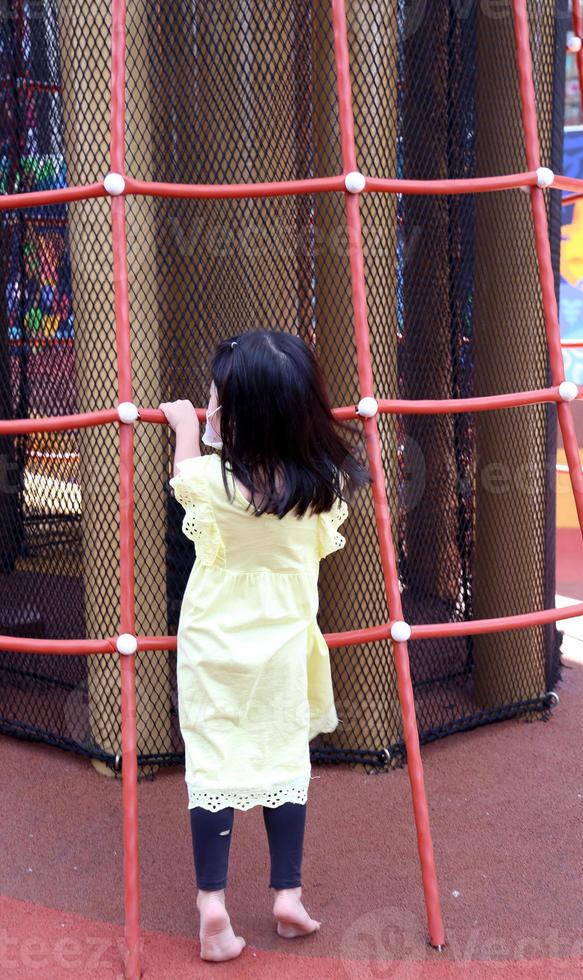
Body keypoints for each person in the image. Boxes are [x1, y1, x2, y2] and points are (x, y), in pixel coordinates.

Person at [160, 329, 371, 962]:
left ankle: (213, 905)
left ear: (238, 415)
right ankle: (286, 894)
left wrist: (183, 429)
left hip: (213, 646)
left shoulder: (210, 482)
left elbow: (184, 478)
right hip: (284, 646)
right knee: (285, 761)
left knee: (213, 768)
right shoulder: (321, 489)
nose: (207, 404)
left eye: (215, 398)